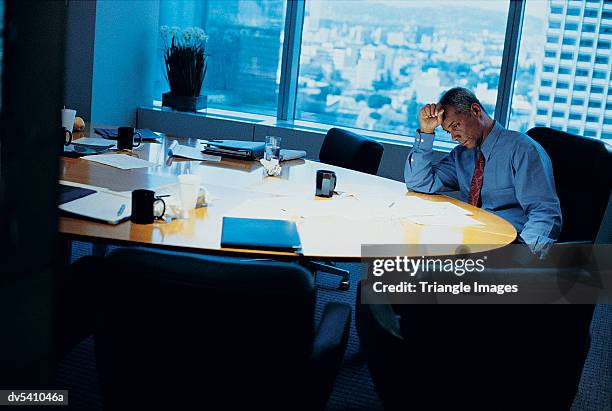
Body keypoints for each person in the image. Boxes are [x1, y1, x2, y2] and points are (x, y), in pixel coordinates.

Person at [405, 87, 562, 246]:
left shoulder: (522, 150)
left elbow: (545, 215)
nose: (454, 137)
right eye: (448, 132)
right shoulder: (462, 155)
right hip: (470, 241)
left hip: (508, 247)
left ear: (475, 110)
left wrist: (519, 260)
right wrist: (426, 132)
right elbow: (419, 182)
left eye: (455, 125)